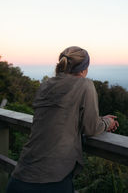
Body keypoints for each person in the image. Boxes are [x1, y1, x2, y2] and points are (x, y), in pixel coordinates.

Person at [6, 46, 119, 193]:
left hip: (22, 173)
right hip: (53, 177)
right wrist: (106, 122)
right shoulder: (85, 84)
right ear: (84, 69)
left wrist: (99, 119)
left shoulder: (46, 84)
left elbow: (59, 116)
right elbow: (91, 128)